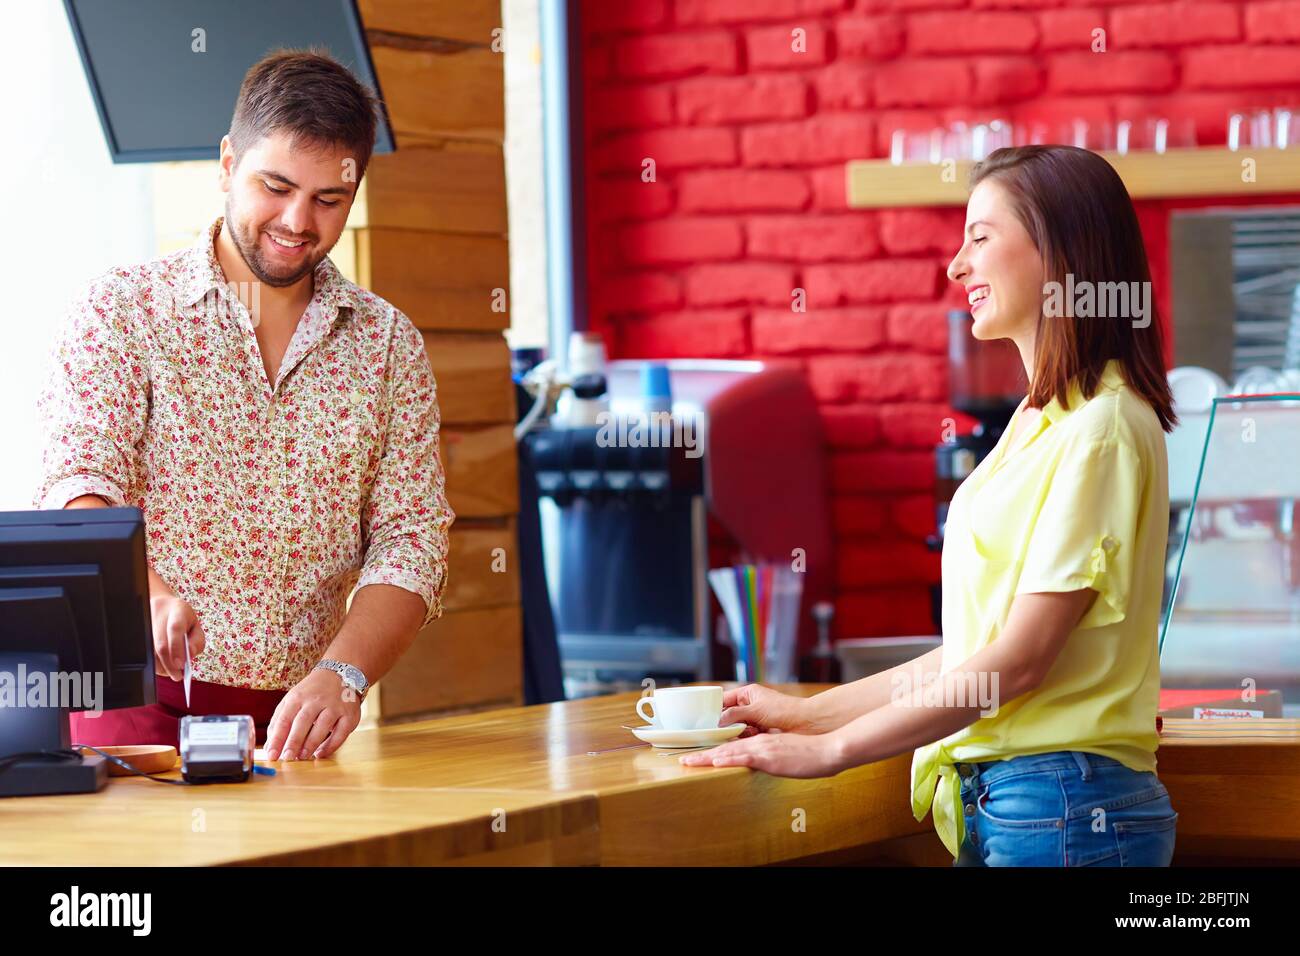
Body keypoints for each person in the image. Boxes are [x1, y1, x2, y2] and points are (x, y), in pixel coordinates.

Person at [681, 144, 1179, 867]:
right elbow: (978, 654)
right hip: (1026, 806)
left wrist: (836, 751)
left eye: (980, 237)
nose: (956, 265)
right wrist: (808, 713)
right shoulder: (1042, 423)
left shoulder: (1101, 427)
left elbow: (1020, 662)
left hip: (1065, 808)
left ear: (1062, 254)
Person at [34, 49, 453, 762]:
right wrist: (153, 596)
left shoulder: (387, 345)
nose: (297, 221)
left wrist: (344, 674)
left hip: (295, 730)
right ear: (228, 163)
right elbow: (76, 486)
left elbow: (413, 542)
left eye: (328, 200)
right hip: (128, 710)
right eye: (276, 185)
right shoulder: (124, 311)